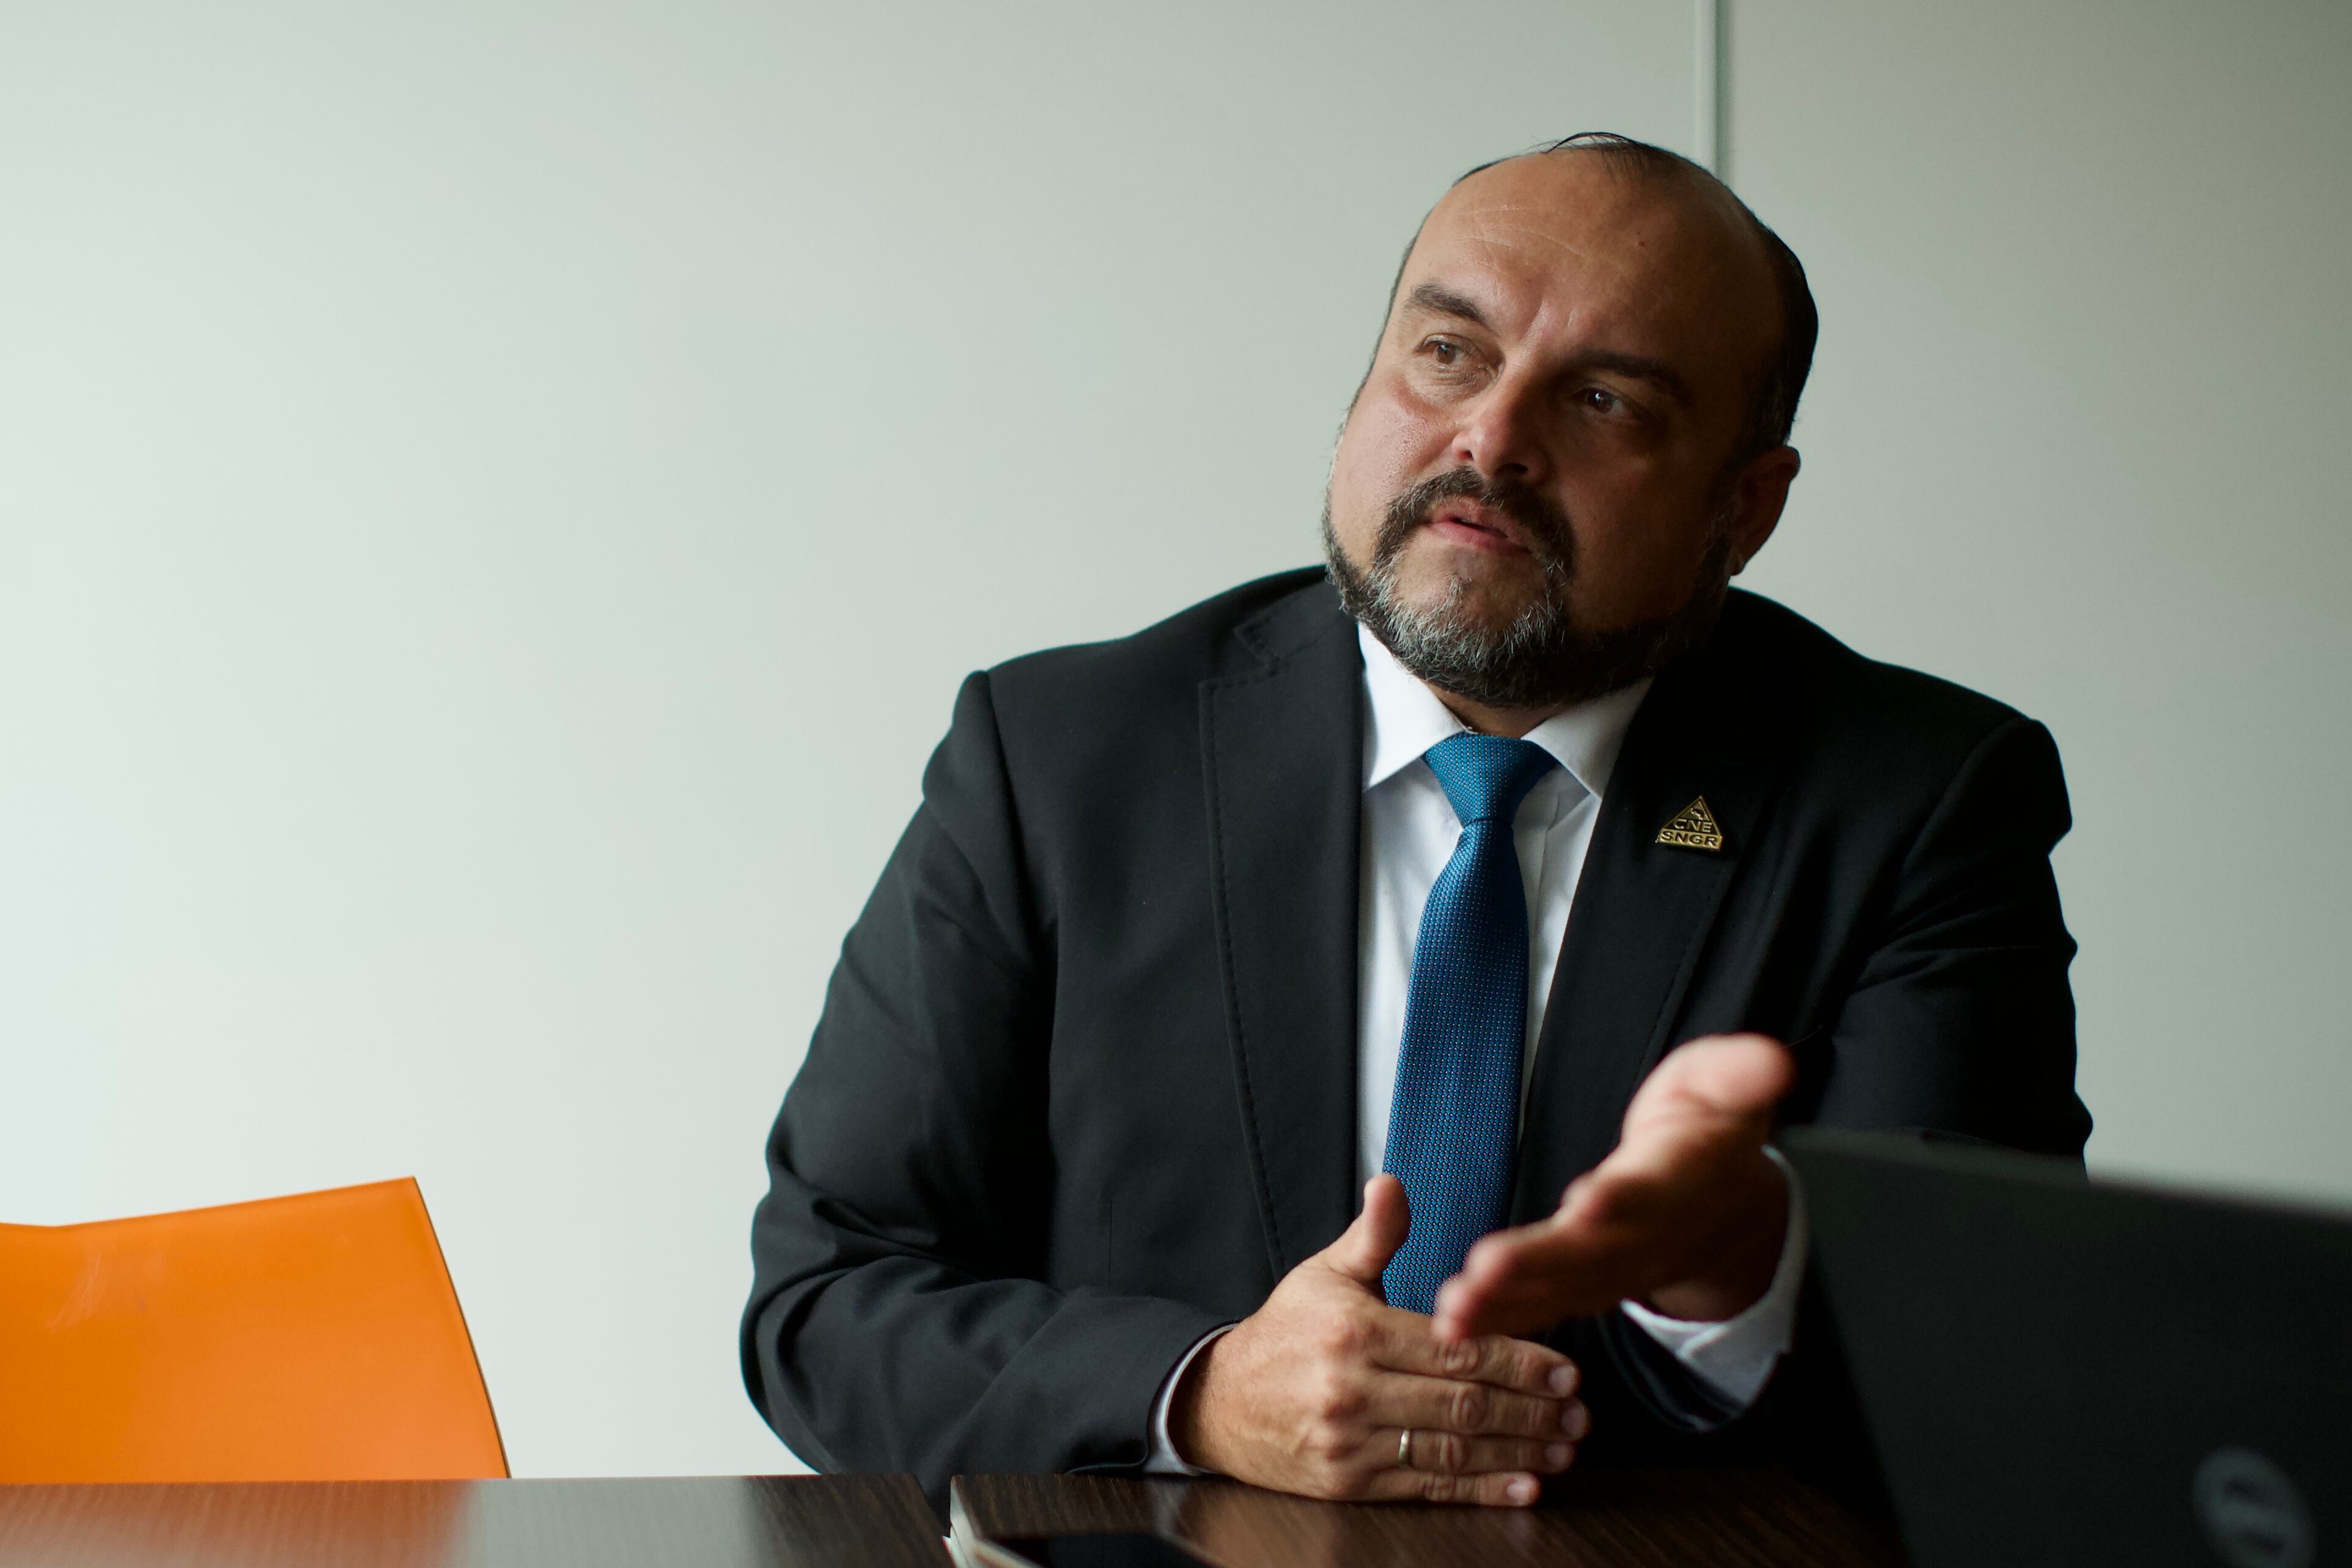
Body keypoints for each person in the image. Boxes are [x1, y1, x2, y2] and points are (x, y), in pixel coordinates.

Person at [740, 133, 2090, 1514]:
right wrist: (1196, 1392)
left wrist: (1736, 1278)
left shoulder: (1919, 802)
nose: (1492, 440)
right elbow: (826, 1297)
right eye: (1448, 353)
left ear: (1742, 507)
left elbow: (1993, 1367)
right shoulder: (1058, 757)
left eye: (1605, 399)